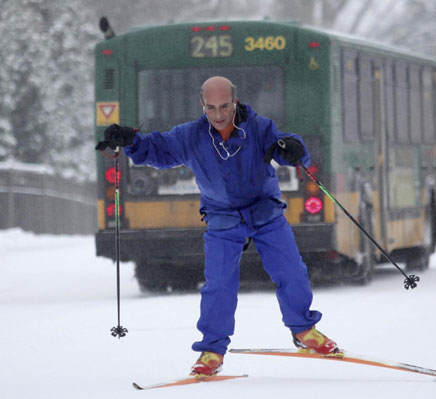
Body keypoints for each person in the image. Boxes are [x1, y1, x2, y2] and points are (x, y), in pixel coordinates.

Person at [96, 76, 339, 376]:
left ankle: (304, 331)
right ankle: (212, 350)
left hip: (265, 213)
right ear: (203, 106)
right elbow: (157, 148)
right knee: (219, 285)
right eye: (211, 107)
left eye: (225, 106)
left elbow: (286, 145)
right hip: (223, 218)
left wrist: (294, 149)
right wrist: (130, 140)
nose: (219, 114)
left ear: (235, 102)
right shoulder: (191, 136)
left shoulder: (259, 127)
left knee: (291, 271)